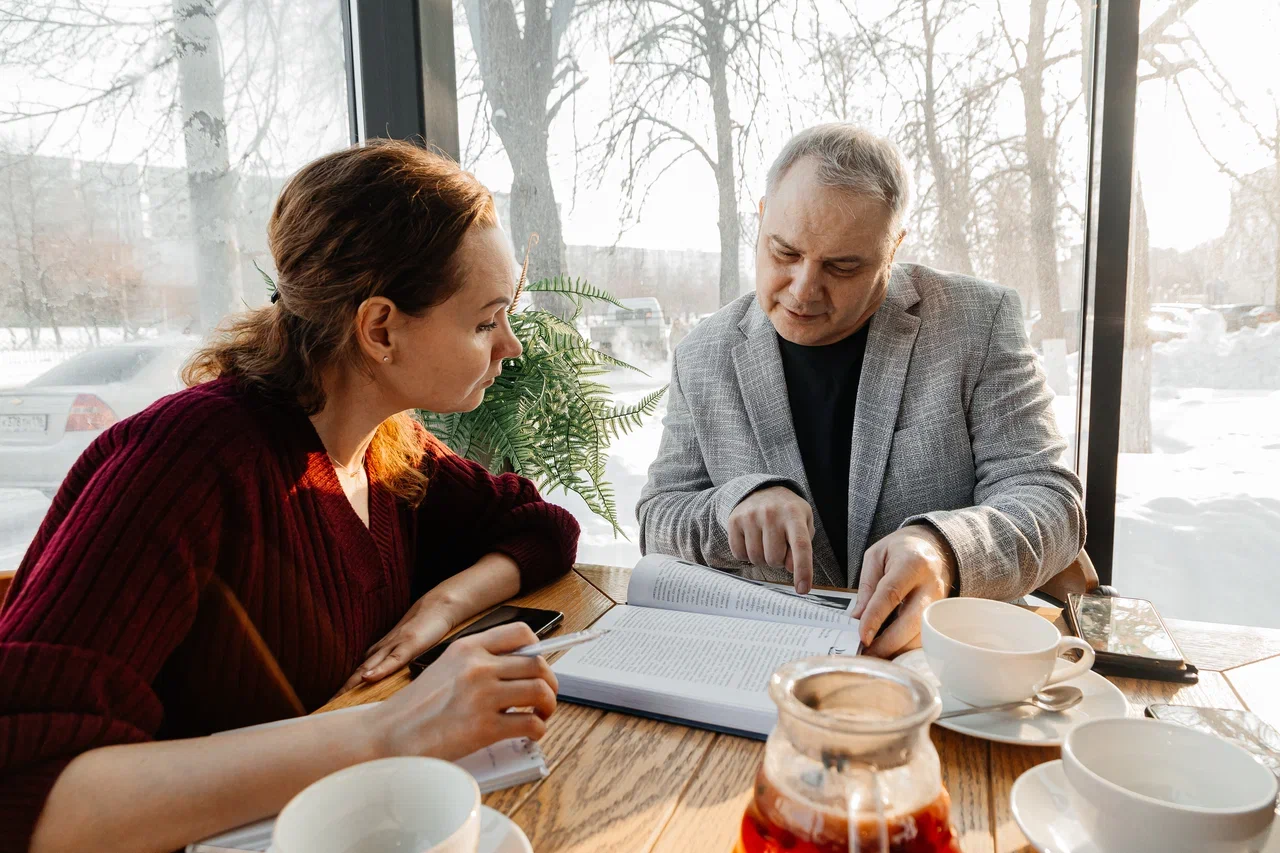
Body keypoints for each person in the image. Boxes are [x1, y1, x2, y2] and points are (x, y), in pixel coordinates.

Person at [0, 140, 579, 853]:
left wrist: (445, 604)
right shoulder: (183, 463)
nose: (510, 345)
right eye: (487, 321)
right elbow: (23, 788)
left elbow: (540, 525)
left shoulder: (387, 445)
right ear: (380, 329)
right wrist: (391, 730)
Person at [637, 123, 1084, 658]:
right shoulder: (704, 353)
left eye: (843, 266)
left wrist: (942, 550)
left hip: (943, 669)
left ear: (893, 249)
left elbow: (1048, 499)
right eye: (783, 252)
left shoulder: (977, 323)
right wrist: (733, 506)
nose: (803, 289)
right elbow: (658, 517)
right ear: (760, 219)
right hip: (766, 667)